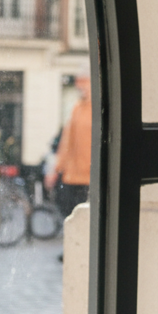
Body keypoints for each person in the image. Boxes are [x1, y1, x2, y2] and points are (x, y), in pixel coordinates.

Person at [45, 74, 92, 217]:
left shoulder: (99, 109)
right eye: (78, 83)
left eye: (84, 82)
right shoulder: (77, 108)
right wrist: (56, 168)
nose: (80, 86)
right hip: (72, 176)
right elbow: (66, 141)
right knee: (70, 215)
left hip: (90, 177)